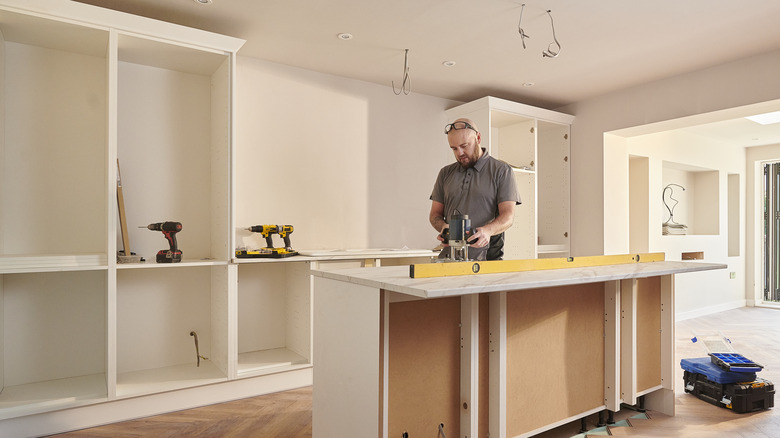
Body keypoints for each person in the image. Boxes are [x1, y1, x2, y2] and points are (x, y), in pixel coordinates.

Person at [429, 118, 521, 261]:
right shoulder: (445, 173)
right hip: (449, 260)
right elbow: (434, 215)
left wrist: (488, 231)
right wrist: (443, 227)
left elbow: (508, 216)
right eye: (454, 148)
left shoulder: (501, 171)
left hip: (487, 261)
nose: (459, 153)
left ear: (478, 138)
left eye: (464, 146)